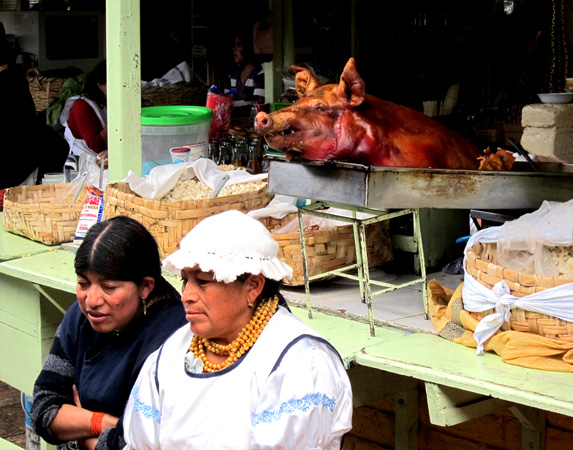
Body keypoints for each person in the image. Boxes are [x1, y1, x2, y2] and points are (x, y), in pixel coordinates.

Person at [122, 210, 353, 449]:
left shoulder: (299, 362)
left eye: (203, 281)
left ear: (252, 286)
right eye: (185, 280)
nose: (186, 296)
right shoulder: (171, 353)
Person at [30, 216, 187, 450]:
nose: (91, 301)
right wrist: (101, 421)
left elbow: (140, 442)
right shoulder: (79, 319)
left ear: (146, 286)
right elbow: (43, 408)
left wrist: (77, 429)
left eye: (109, 287)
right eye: (83, 284)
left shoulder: (173, 339)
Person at [0, 22, 69, 189]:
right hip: (12, 164)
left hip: (13, 159)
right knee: (54, 143)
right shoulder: (11, 76)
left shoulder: (10, 76)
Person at [59, 60, 108, 186]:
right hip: (85, 170)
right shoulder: (82, 106)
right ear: (100, 85)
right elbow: (96, 145)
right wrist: (120, 116)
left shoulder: (108, 103)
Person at [224, 29, 265, 122]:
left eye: (238, 44)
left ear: (248, 47)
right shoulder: (232, 76)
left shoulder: (260, 74)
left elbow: (257, 107)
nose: (234, 48)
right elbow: (225, 102)